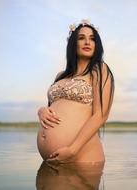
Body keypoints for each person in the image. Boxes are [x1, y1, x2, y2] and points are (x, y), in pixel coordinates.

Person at [37, 19, 115, 165]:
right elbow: (55, 108)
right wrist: (42, 111)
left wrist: (73, 150)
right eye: (81, 38)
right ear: (73, 44)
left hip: (82, 156)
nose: (87, 42)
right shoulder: (60, 76)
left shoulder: (99, 69)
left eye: (92, 39)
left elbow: (101, 114)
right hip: (50, 160)